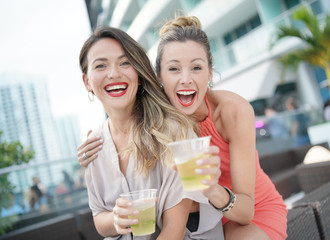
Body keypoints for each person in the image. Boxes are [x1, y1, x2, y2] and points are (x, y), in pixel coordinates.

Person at [79, 16, 288, 240]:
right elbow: (119, 110)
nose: (185, 79)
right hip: (206, 220)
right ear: (159, 76)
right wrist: (88, 156)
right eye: (174, 69)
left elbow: (246, 210)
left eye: (196, 67)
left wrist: (213, 191)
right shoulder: (156, 118)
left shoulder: (231, 111)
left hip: (247, 209)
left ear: (210, 73)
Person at [78, 26, 223, 240]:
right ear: (87, 82)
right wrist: (116, 219)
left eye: (125, 63)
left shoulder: (174, 132)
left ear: (138, 72)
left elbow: (173, 231)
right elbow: (100, 220)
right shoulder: (93, 145)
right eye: (100, 66)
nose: (114, 73)